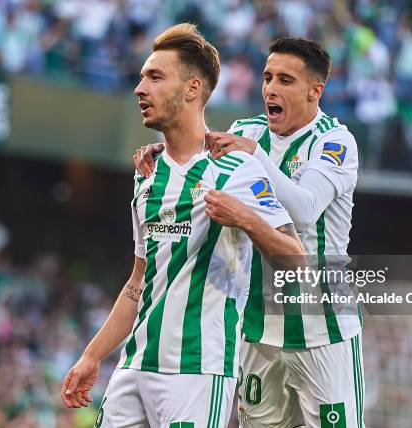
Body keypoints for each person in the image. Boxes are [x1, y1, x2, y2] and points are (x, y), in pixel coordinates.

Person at [60, 24, 304, 428]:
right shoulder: (146, 174)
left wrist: (244, 217)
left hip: (197, 369)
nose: (140, 88)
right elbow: (139, 282)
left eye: (155, 77)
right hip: (133, 366)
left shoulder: (236, 169)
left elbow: (297, 262)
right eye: (141, 77)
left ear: (192, 89)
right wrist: (92, 355)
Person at [134, 37, 364, 428]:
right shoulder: (246, 129)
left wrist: (253, 154)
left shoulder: (334, 141)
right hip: (258, 325)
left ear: (315, 90)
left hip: (322, 325)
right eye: (267, 77)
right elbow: (193, 154)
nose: (271, 88)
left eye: (286, 80)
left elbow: (305, 210)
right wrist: (160, 152)